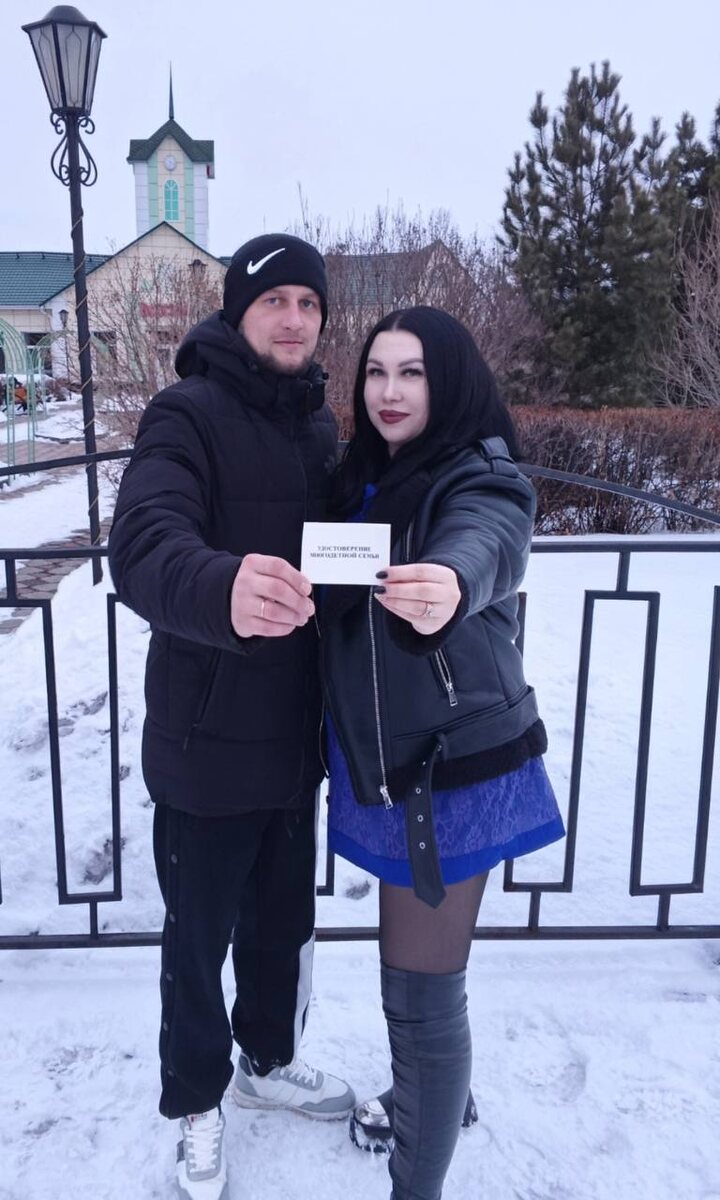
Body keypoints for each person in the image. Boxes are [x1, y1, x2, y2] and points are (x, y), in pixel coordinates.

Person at [108, 234, 355, 1200]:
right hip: (206, 743)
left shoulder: (318, 425)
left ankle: (267, 1061)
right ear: (238, 312)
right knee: (197, 942)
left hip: (296, 741)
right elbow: (144, 542)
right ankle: (197, 1101)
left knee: (280, 927)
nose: (294, 319)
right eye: (274, 301)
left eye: (309, 302)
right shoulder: (187, 413)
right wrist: (221, 587)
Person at [320, 306, 565, 1200]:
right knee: (417, 991)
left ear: (450, 380)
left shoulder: (478, 471)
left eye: (413, 372)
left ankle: (415, 1179)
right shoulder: (367, 475)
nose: (389, 392)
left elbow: (487, 538)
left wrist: (452, 583)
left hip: (449, 772)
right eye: (377, 372)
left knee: (421, 996)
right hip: (389, 756)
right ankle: (432, 1102)